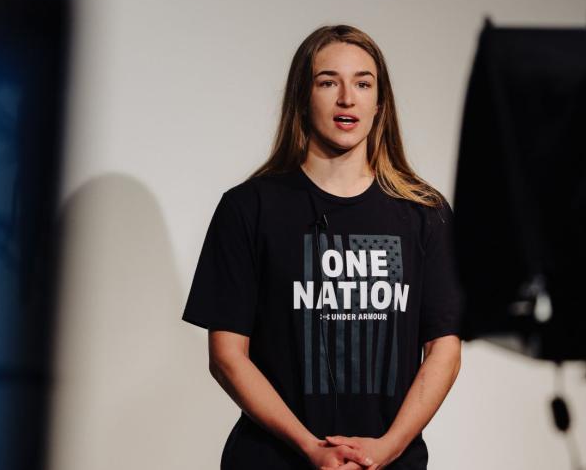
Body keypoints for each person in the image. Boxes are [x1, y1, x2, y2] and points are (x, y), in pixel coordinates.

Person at [182, 24, 463, 469]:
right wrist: (310, 448)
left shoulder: (424, 214)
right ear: (302, 97)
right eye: (328, 81)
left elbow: (444, 351)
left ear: (380, 103)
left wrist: (385, 449)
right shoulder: (248, 208)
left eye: (363, 83)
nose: (347, 98)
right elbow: (227, 355)